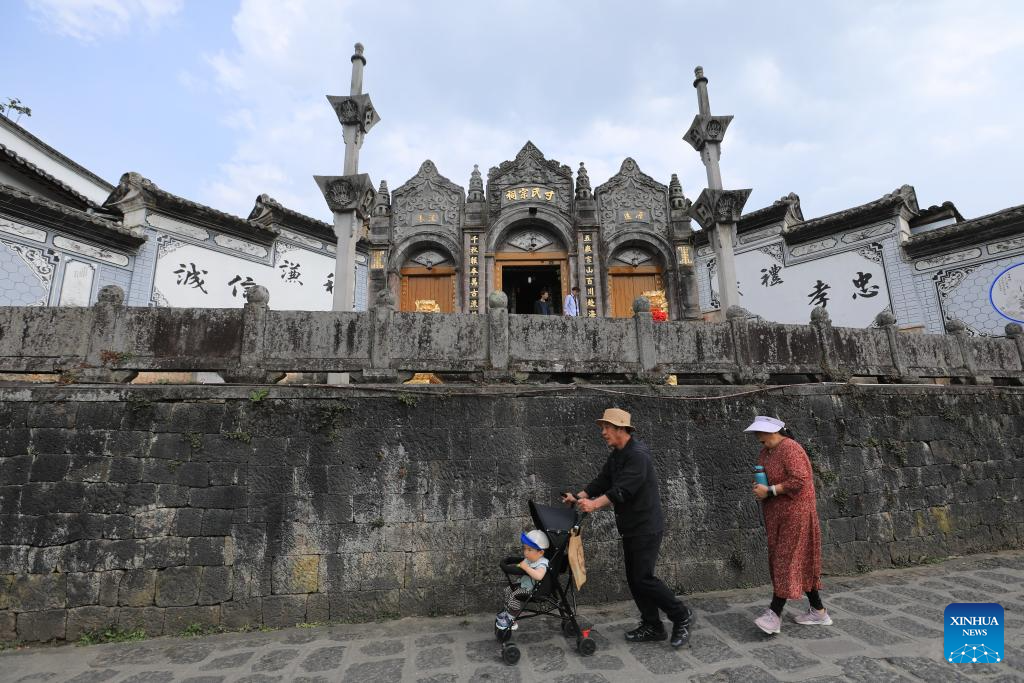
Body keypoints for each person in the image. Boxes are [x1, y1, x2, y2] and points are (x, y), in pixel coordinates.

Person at [562, 408, 694, 648]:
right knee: (635, 579)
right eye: (603, 427)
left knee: (644, 578)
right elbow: (603, 481)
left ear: (621, 429)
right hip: (631, 526)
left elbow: (621, 490)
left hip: (646, 526)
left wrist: (594, 504)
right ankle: (653, 625)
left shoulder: (638, 455)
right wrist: (579, 497)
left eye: (607, 427)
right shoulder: (617, 455)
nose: (603, 432)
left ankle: (681, 615)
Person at [745, 416, 831, 634]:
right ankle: (818, 611)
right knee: (796, 560)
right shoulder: (766, 452)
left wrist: (770, 490)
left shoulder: (790, 448)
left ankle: (774, 614)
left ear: (773, 431)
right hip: (777, 515)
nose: (758, 438)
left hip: (796, 514)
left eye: (760, 433)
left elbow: (799, 479)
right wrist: (761, 488)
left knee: (785, 559)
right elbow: (765, 477)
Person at [496, 529, 550, 630]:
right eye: (525, 549)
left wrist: (526, 568)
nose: (525, 552)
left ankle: (511, 619)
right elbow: (521, 565)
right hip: (523, 585)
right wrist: (517, 566)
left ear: (540, 552)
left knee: (514, 595)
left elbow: (539, 576)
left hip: (532, 590)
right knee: (508, 590)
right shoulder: (529, 559)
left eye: (529, 550)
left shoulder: (542, 563)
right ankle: (507, 611)